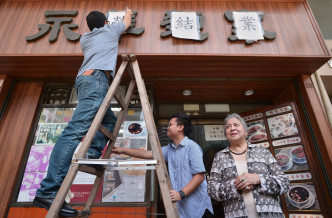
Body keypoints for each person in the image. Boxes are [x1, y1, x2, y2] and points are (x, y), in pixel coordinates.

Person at [33, 9, 133, 217]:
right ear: (105, 22)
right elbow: (128, 20)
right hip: (96, 80)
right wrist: (129, 10)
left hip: (88, 80)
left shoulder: (86, 38)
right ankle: (48, 190)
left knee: (110, 120)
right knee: (74, 132)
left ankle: (92, 154)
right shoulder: (109, 31)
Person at [112, 113, 214, 218]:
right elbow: (148, 154)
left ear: (180, 127)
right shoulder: (169, 149)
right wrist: (123, 150)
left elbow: (200, 176)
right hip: (182, 210)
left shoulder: (192, 147)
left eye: (170, 125)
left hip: (198, 209)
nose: (167, 127)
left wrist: (181, 194)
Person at [207, 113, 290, 218]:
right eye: (228, 127)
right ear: (226, 134)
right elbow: (212, 190)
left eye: (236, 125)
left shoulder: (262, 151)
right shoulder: (220, 157)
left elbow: (284, 182)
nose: (232, 128)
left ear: (246, 132)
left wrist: (258, 179)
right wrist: (236, 185)